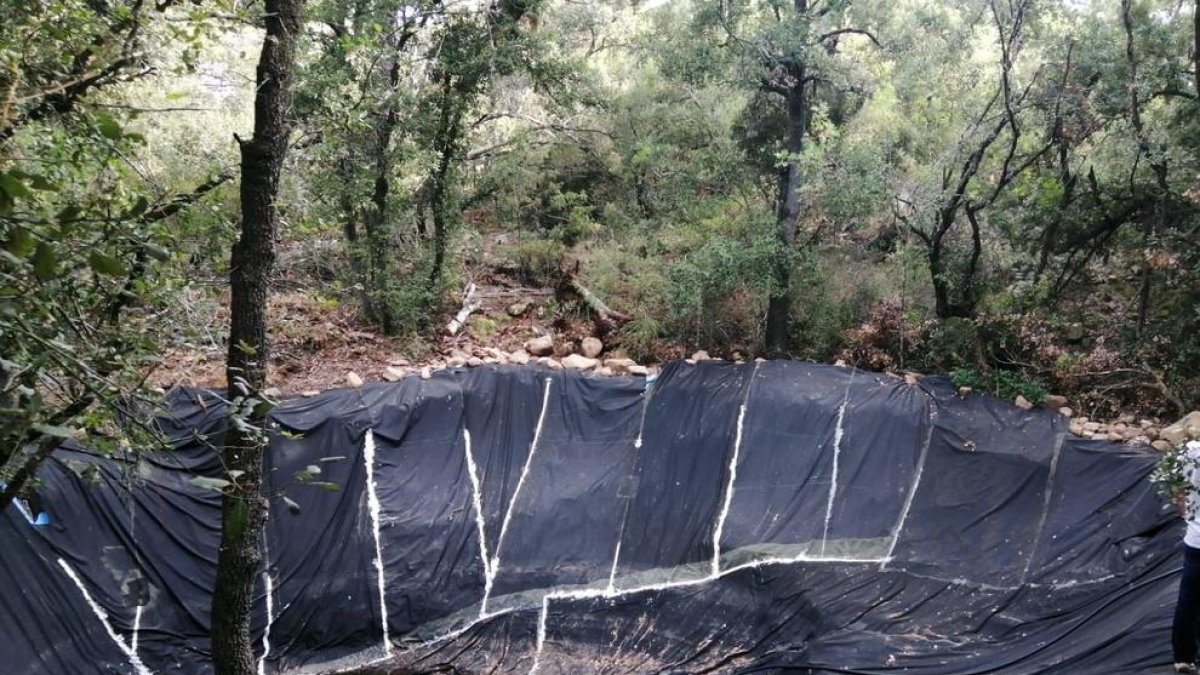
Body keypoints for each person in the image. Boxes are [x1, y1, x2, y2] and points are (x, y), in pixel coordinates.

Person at [1174, 440, 1200, 673]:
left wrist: (1187, 515)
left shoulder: (1190, 451)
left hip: (1195, 539)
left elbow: (1176, 488)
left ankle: (1183, 657)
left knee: (1189, 599)